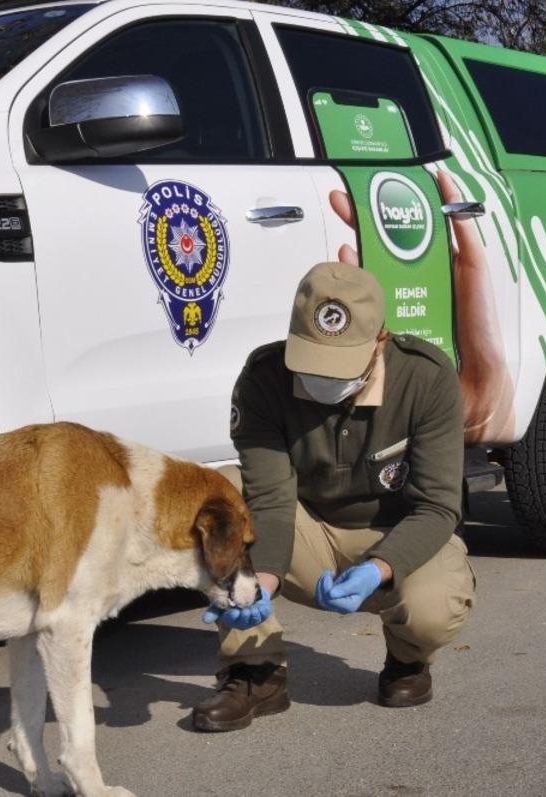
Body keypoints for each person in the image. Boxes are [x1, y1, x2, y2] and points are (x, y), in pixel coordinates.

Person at [193, 261, 477, 732]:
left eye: (339, 365)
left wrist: (379, 568)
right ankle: (255, 669)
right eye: (311, 362)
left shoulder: (426, 378)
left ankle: (408, 659)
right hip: (308, 531)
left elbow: (437, 506)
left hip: (398, 530)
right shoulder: (264, 378)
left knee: (435, 609)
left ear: (380, 341)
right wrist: (259, 582)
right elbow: (269, 501)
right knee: (223, 496)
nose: (321, 379)